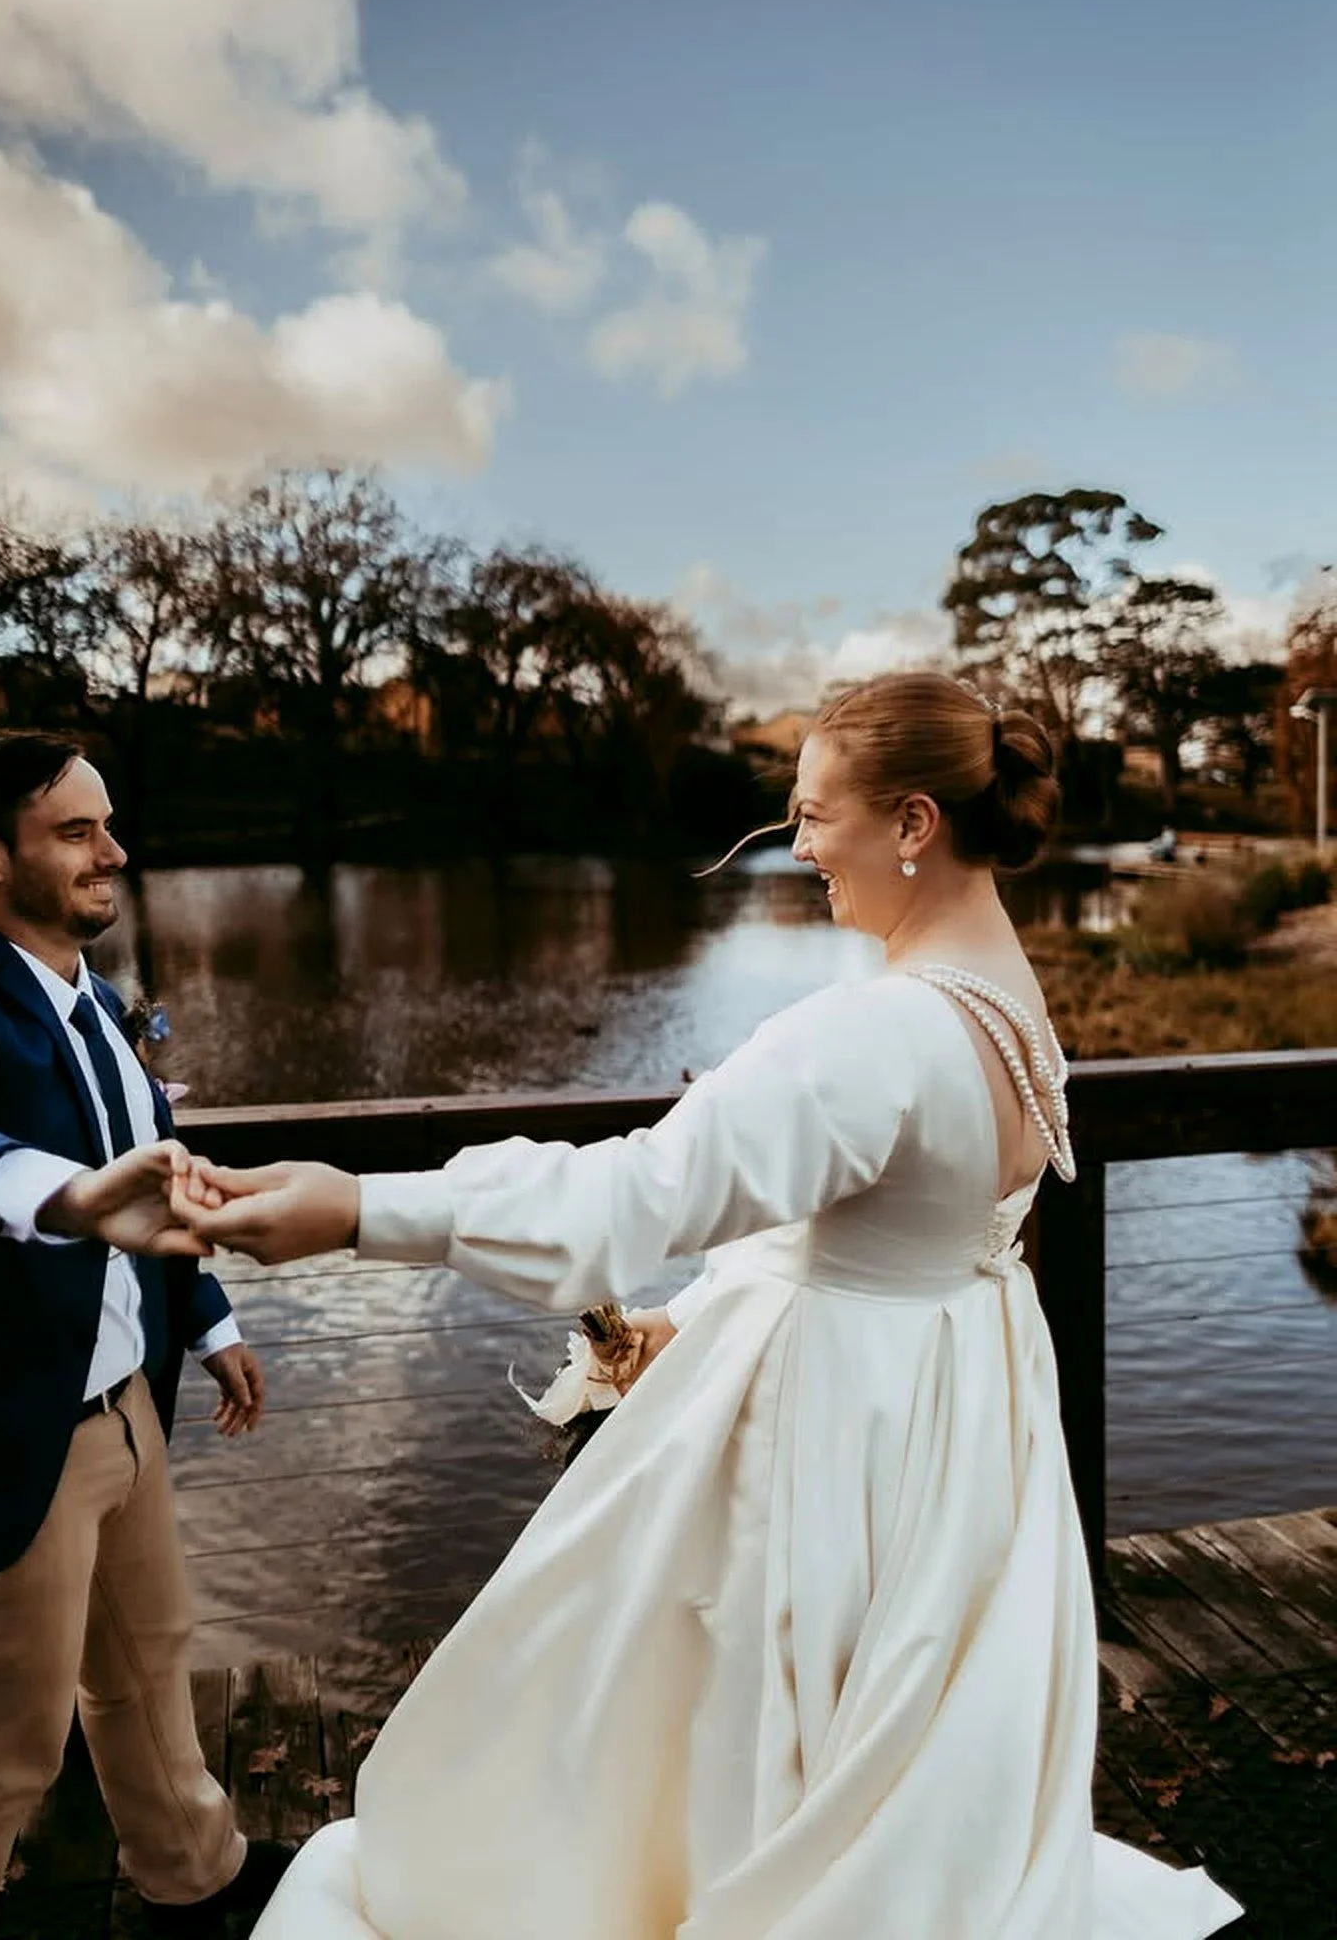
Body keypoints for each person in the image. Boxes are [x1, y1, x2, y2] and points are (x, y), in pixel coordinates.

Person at [67, 677, 1243, 1937]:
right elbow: (873, 1220)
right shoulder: (1012, 1006)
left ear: (913, 823)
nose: (799, 850)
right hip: (952, 1411)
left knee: (722, 1693)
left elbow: (632, 1195)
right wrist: (718, 1303)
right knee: (868, 1714)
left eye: (811, 817)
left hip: (842, 1428)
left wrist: (359, 1208)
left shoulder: (876, 1031)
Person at [0, 730, 294, 1939]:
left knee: (145, 1671)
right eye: (76, 830)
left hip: (126, 1409)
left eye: (108, 824)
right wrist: (62, 1197)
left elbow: (149, 1181)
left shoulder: (99, 999)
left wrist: (210, 1313)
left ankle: (196, 1879)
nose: (114, 852)